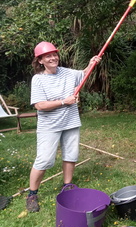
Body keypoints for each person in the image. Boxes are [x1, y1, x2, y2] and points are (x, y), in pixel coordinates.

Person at [26, 41, 101, 213]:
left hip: (71, 122)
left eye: (54, 54)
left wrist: (91, 64)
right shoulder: (38, 80)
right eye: (48, 56)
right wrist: (63, 102)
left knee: (71, 155)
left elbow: (83, 74)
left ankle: (67, 186)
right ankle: (32, 194)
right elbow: (39, 105)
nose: (53, 58)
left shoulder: (67, 73)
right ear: (40, 61)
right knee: (44, 159)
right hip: (49, 126)